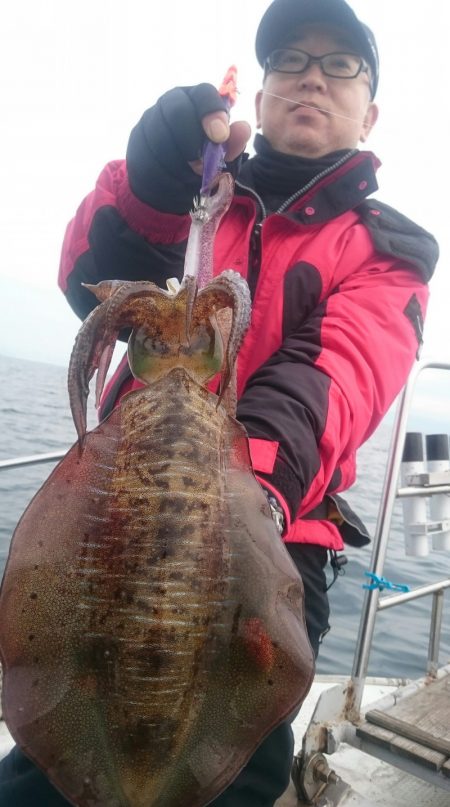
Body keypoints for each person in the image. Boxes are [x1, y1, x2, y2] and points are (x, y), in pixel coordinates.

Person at [0, 0, 439, 805]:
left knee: (231, 766)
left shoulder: (388, 249)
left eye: (339, 64)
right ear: (261, 94)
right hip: (114, 511)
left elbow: (332, 379)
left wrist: (240, 495)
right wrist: (149, 185)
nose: (311, 75)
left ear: (369, 111)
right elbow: (90, 276)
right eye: (289, 61)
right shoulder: (190, 192)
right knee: (45, 770)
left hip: (273, 529)